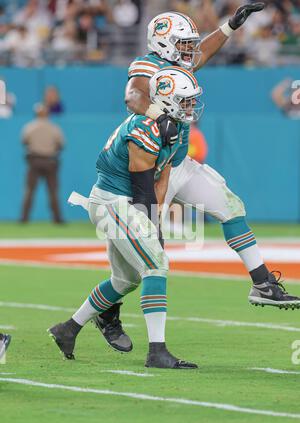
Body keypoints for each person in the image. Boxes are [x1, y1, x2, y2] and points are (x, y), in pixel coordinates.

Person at [90, 7, 300, 351]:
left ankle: (262, 283)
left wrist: (231, 25)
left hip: (179, 163)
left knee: (230, 206)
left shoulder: (180, 62)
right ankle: (106, 312)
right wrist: (159, 115)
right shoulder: (147, 65)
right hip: (156, 168)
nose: (191, 50)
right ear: (164, 43)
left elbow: (201, 53)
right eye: (184, 43)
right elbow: (133, 96)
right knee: (141, 262)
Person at [48, 67, 202, 369]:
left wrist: (155, 218)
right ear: (168, 100)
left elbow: (163, 177)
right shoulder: (144, 128)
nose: (191, 107)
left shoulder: (176, 127)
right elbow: (142, 188)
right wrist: (153, 227)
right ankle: (157, 351)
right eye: (185, 101)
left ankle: (68, 329)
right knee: (155, 265)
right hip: (114, 201)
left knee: (125, 279)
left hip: (123, 202)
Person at [20, 103, 65, 223]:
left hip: (34, 160)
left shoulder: (29, 127)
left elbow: (24, 142)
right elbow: (61, 145)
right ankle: (57, 219)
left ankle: (24, 219)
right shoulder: (54, 128)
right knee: (53, 192)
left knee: (29, 191)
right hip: (50, 161)